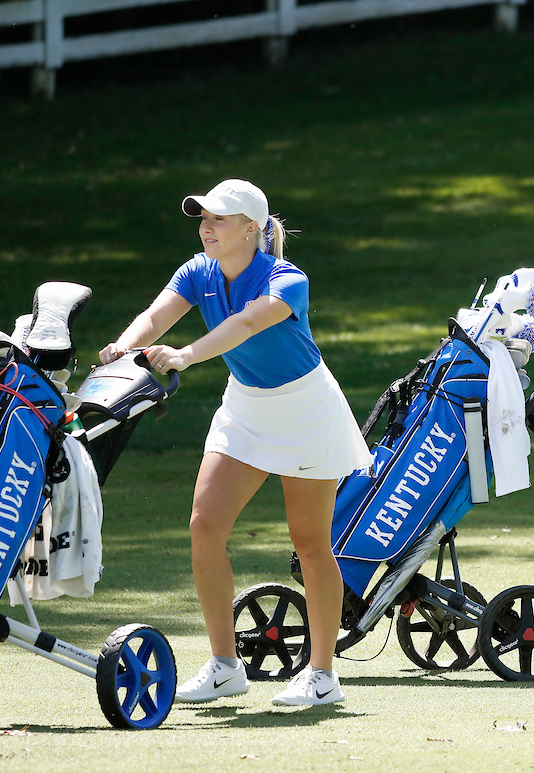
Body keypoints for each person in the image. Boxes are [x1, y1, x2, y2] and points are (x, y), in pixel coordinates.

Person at [99, 179, 371, 707]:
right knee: (204, 524)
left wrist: (183, 356)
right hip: (246, 407)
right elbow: (156, 317)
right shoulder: (196, 272)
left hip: (306, 410)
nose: (206, 226)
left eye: (219, 219)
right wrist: (124, 347)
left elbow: (246, 325)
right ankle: (225, 666)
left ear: (252, 228)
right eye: (202, 218)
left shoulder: (287, 279)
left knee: (311, 542)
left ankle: (322, 675)